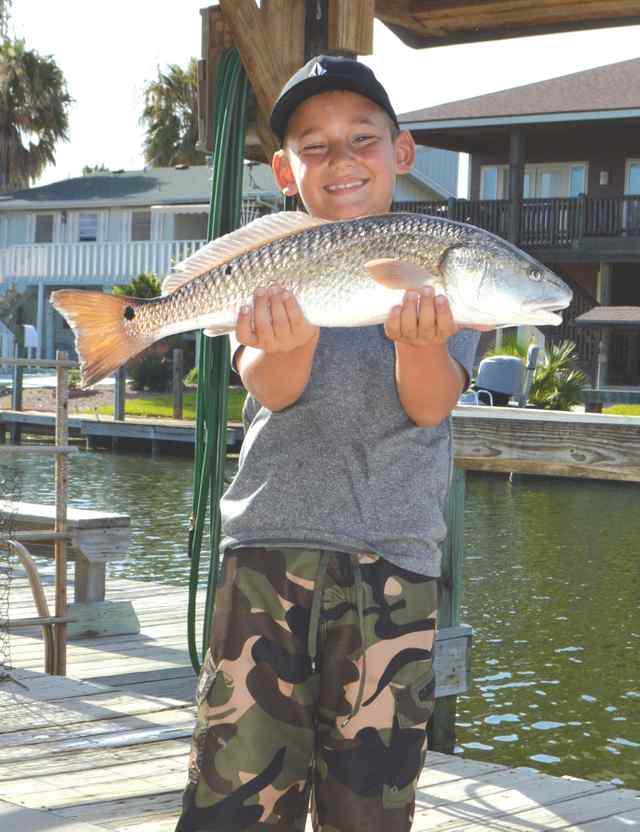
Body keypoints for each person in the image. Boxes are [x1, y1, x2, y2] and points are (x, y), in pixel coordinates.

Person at [175, 55, 481, 832]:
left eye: (362, 138)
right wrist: (290, 336)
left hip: (393, 563)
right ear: (286, 172)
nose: (342, 159)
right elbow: (271, 388)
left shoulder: (449, 263)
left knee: (368, 809)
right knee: (235, 804)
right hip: (266, 556)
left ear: (402, 151)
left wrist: (420, 342)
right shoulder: (270, 264)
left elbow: (431, 404)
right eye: (315, 147)